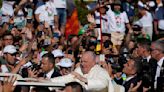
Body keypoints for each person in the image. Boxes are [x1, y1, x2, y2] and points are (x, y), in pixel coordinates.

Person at [49, 51, 114, 92]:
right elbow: (66, 78)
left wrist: (85, 80)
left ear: (93, 62)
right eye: (81, 61)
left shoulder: (100, 71)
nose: (82, 64)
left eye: (85, 62)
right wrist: (49, 81)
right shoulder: (79, 69)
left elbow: (103, 84)